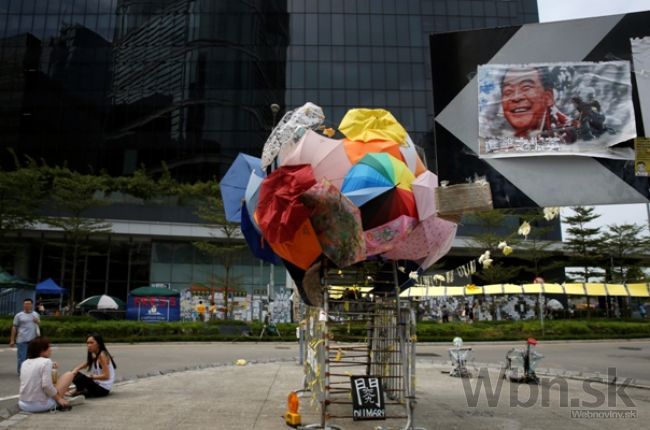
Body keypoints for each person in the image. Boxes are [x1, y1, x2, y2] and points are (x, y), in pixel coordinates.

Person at [500, 66, 575, 143]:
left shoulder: (569, 132)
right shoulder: (501, 138)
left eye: (526, 87)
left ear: (548, 97)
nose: (516, 97)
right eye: (508, 91)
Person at [18, 336, 84, 412]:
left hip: (23, 404)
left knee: (54, 382)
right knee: (69, 374)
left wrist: (51, 367)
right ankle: (62, 399)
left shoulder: (25, 363)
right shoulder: (46, 362)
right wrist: (59, 399)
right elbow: (46, 385)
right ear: (42, 350)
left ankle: (62, 396)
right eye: (49, 347)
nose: (51, 349)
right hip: (40, 405)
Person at [68, 333, 116, 398]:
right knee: (73, 373)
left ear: (98, 344)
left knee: (79, 377)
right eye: (87, 343)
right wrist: (75, 369)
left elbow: (106, 376)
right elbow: (86, 364)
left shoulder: (102, 355)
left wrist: (91, 377)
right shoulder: (96, 355)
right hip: (97, 385)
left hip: (102, 389)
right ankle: (81, 391)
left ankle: (80, 391)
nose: (89, 345)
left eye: (91, 343)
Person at [10, 298, 41, 375]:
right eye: (25, 304)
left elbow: (38, 324)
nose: (27, 305)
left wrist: (37, 321)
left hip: (33, 340)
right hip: (22, 340)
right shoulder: (18, 315)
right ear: (23, 305)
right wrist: (12, 340)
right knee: (22, 358)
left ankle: (30, 372)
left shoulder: (35, 314)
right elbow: (14, 327)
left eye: (29, 304)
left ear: (31, 305)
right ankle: (21, 372)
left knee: (32, 358)